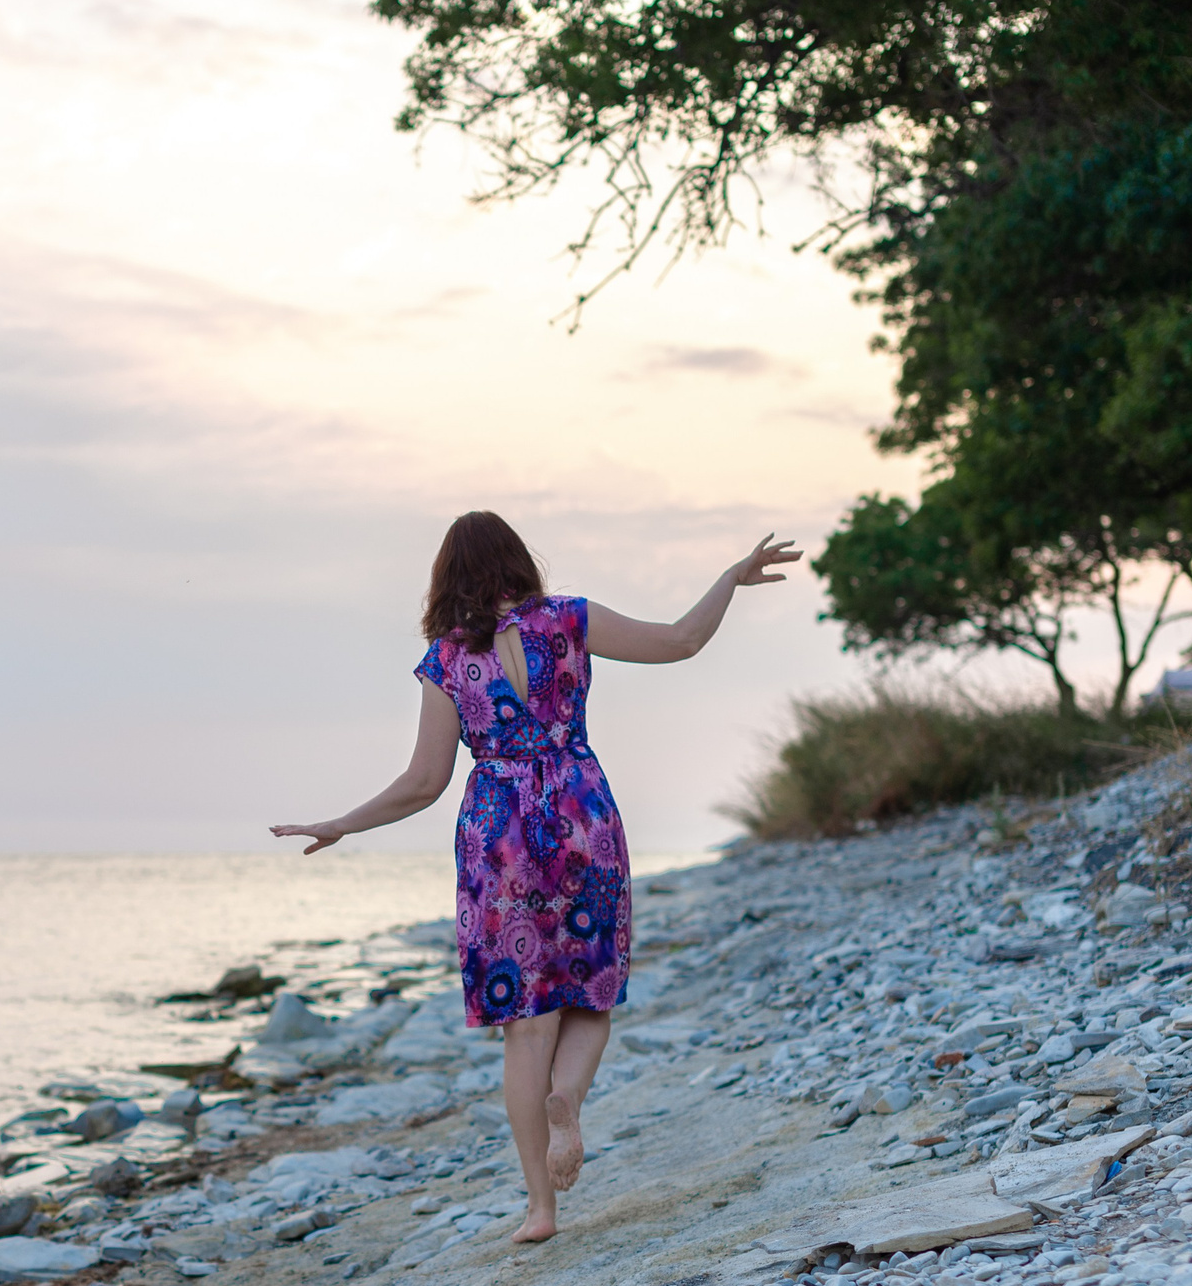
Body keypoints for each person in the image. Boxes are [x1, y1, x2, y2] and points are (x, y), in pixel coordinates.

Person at [271, 512, 802, 1244]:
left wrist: (341, 822)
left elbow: (422, 782)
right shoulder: (569, 621)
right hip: (581, 816)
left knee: (524, 1027)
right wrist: (729, 579)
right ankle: (569, 1098)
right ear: (520, 560)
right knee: (593, 987)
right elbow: (681, 640)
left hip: (500, 837)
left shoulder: (449, 660)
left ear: (446, 578)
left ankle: (540, 1209)